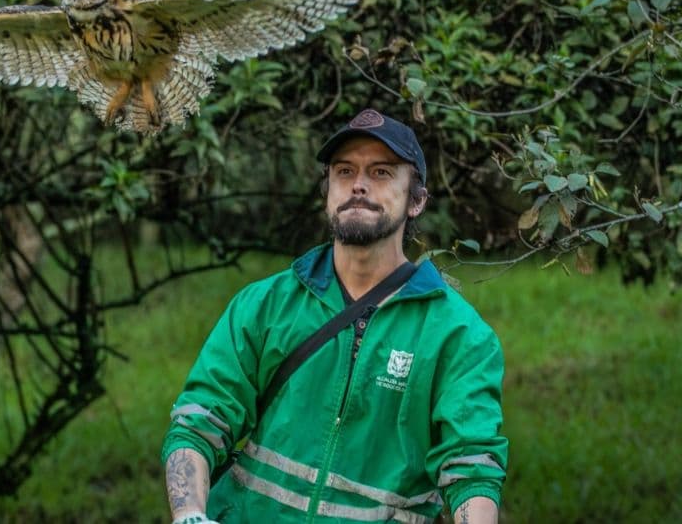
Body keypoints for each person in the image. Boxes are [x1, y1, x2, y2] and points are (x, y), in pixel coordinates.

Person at [161, 109, 508, 524]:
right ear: (328, 189)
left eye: (381, 172)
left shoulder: (459, 335)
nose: (358, 185)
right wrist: (190, 515)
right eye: (344, 171)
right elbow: (199, 423)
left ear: (417, 200)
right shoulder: (266, 305)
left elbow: (471, 468)